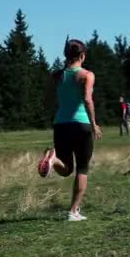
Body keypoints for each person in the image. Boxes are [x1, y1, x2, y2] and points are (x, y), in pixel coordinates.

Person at [38, 38, 103, 221]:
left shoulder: (56, 76)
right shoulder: (86, 75)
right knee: (82, 169)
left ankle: (53, 159)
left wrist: (51, 109)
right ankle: (73, 211)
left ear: (66, 56)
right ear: (82, 56)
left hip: (61, 124)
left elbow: (47, 98)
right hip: (81, 124)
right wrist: (94, 124)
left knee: (66, 168)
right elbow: (88, 100)